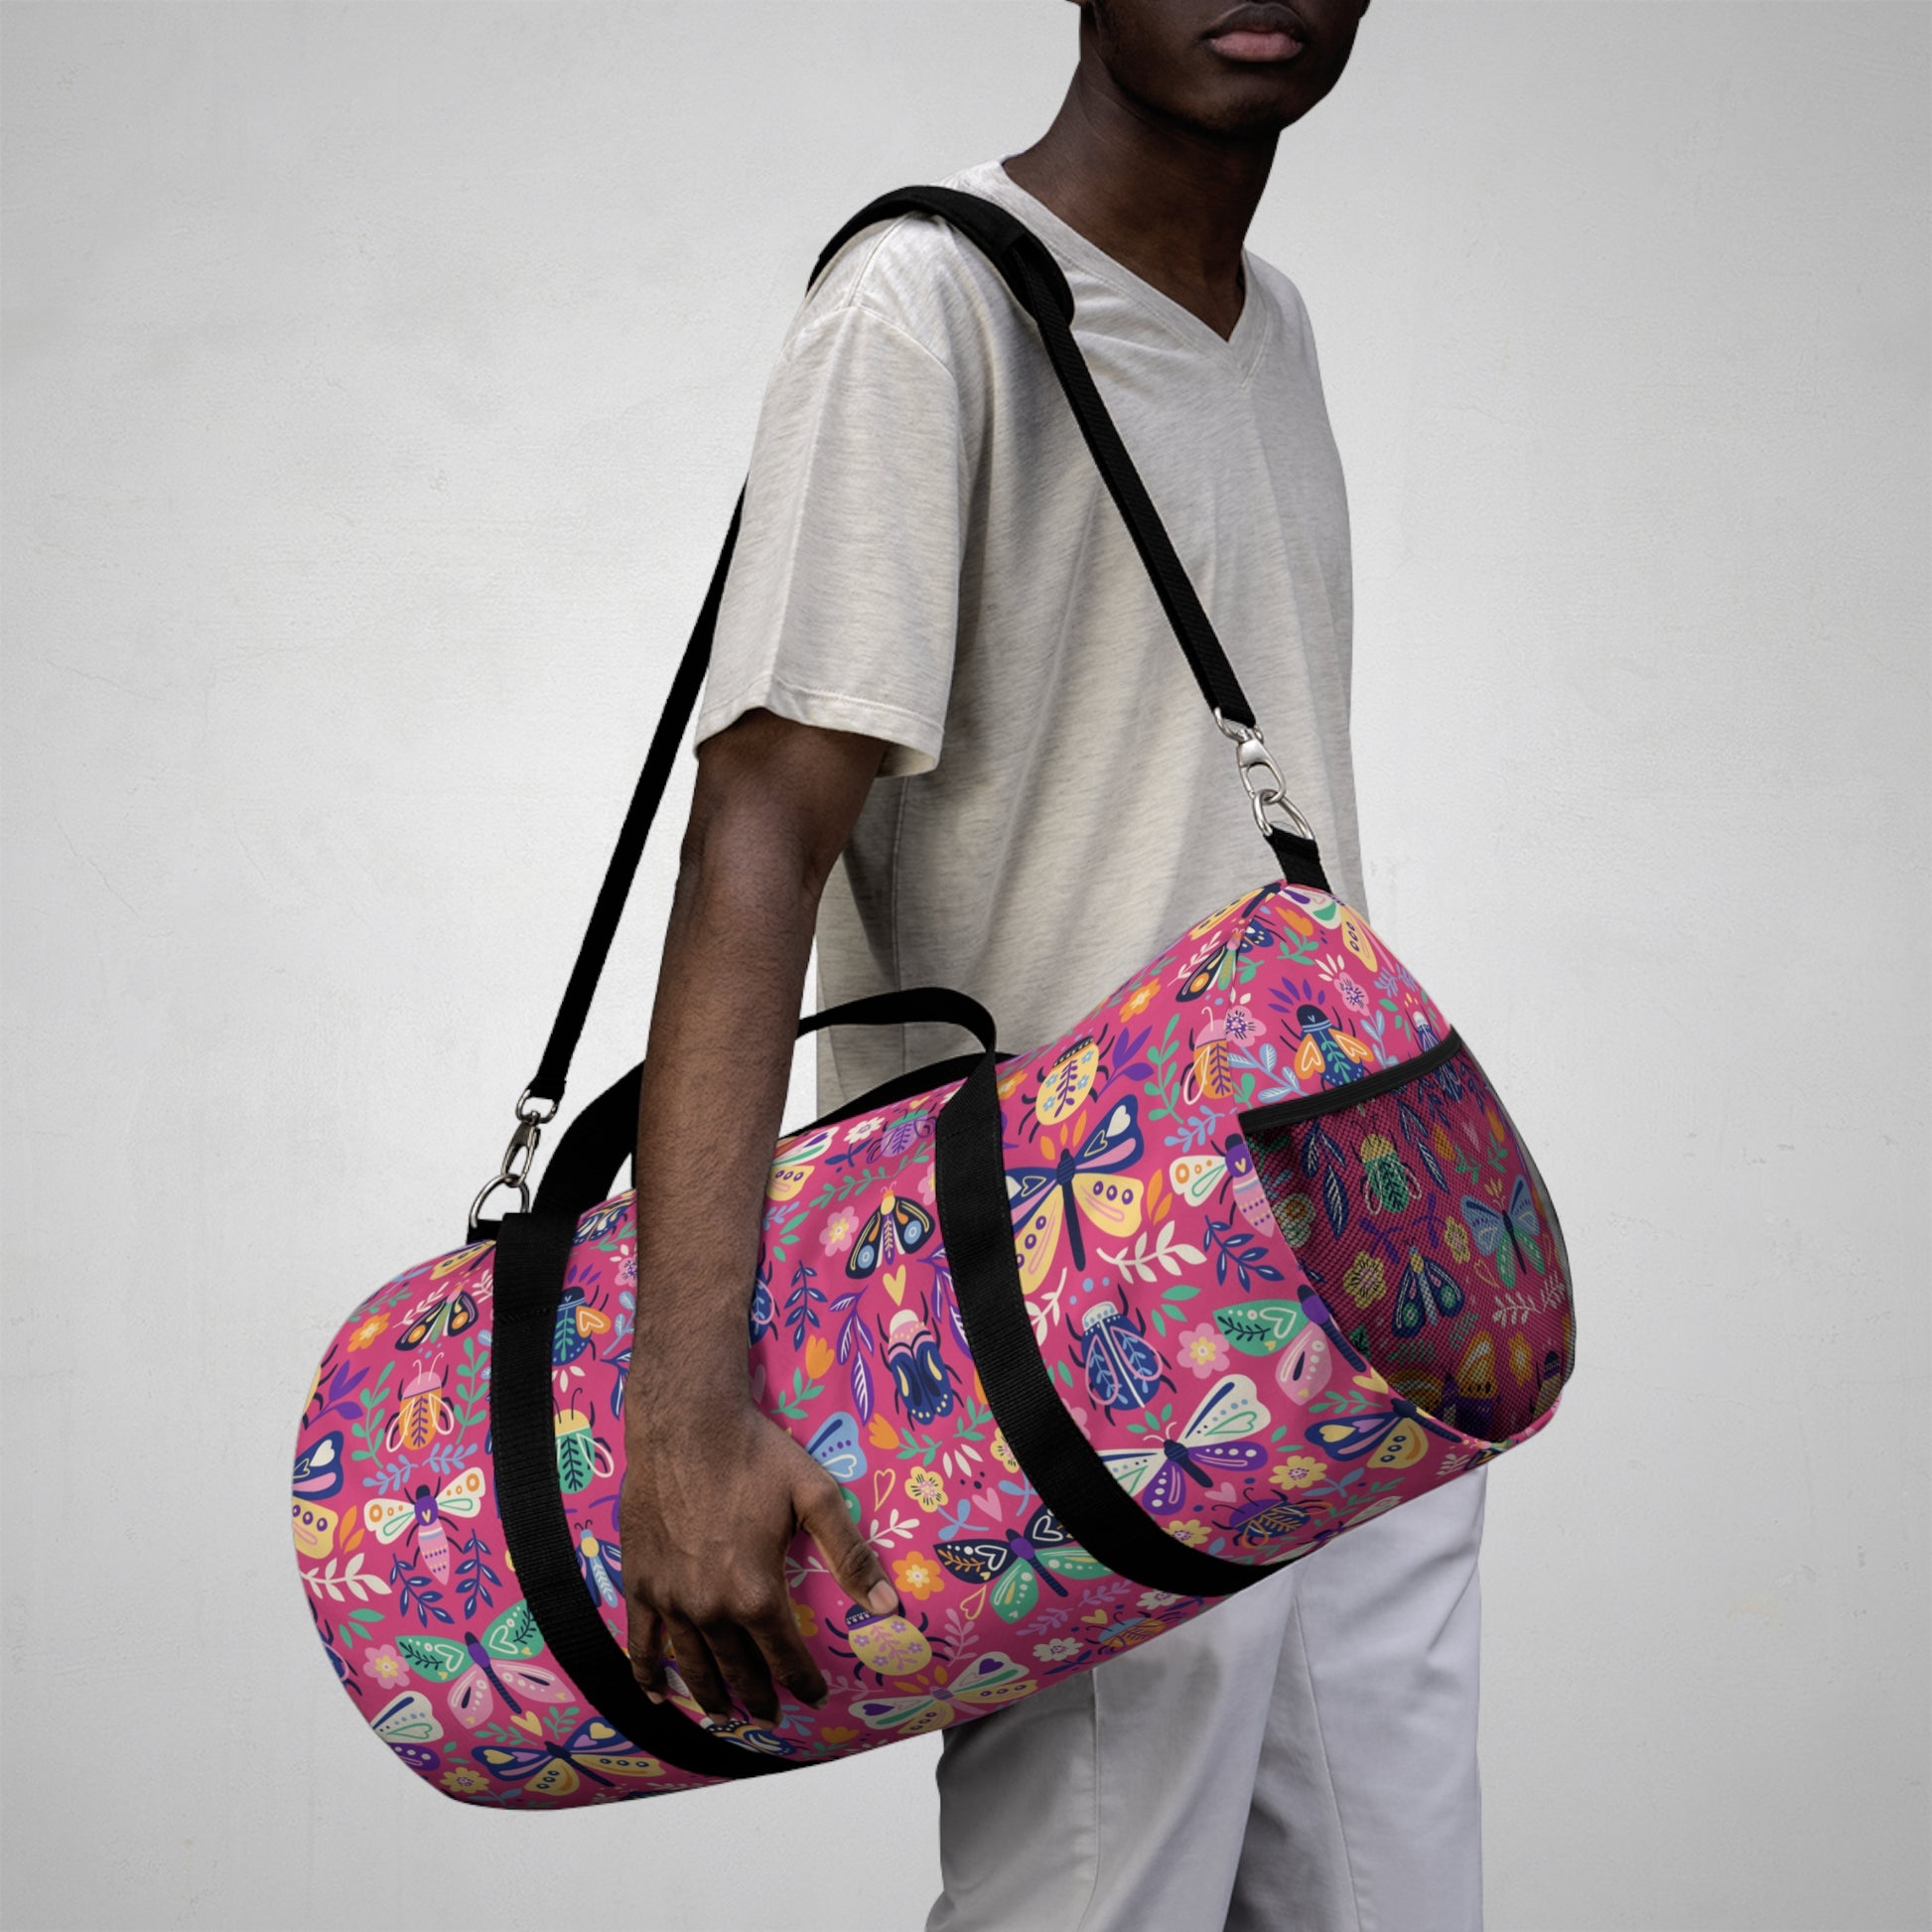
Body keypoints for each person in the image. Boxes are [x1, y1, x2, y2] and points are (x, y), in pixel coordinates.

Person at [621, 2, 1488, 1926]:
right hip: (1078, 1334)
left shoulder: (1277, 332)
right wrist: (678, 1410)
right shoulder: (925, 312)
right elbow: (758, 828)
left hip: (1346, 1295)